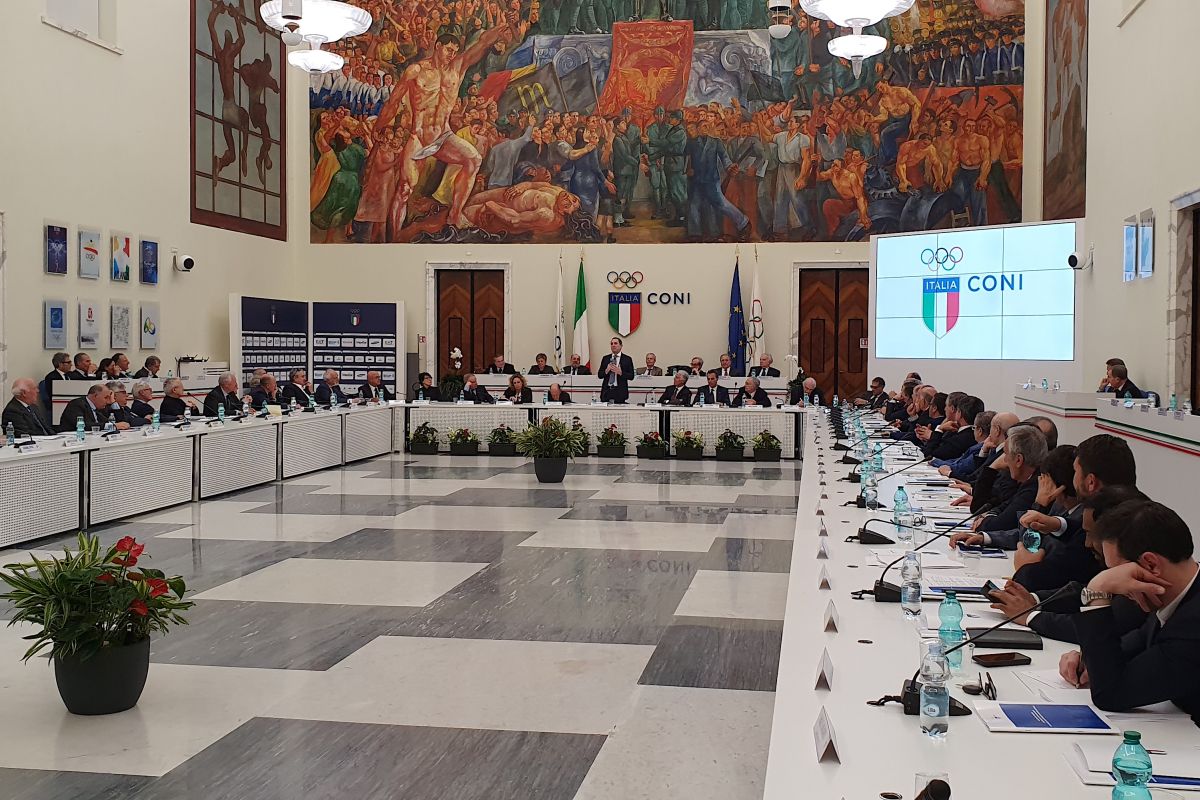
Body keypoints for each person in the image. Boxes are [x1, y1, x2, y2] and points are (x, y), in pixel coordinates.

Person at [1057, 500, 1200, 719]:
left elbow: (1111, 693)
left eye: (1116, 573)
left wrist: (1097, 590)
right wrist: (1088, 660)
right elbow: (1133, 648)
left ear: (1150, 565)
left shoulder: (1193, 622)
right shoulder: (1174, 598)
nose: (1117, 587)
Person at [986, 485, 1149, 645]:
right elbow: (1082, 592)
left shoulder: (1141, 583)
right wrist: (1034, 601)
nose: (1086, 543)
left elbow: (1097, 628)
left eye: (1090, 534)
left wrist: (1030, 616)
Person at [1013, 434, 1139, 592]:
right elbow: (1079, 530)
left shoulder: (1111, 524)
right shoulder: (1133, 508)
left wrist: (1025, 569)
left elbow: (1062, 570)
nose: (1072, 479)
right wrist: (1058, 525)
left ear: (1091, 482)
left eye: (1075, 471)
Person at [954, 425, 1047, 542]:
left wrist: (985, 520)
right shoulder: (1026, 479)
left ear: (1018, 460)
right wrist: (988, 515)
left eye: (1006, 454)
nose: (1005, 460)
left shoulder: (1035, 485)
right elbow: (1001, 507)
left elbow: (1000, 524)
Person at [934, 410, 994, 481]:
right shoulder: (979, 447)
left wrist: (935, 461)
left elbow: (961, 467)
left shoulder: (979, 449)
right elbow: (958, 460)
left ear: (980, 431)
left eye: (974, 428)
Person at [922, 393, 984, 461]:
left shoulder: (959, 439)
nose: (944, 409)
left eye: (946, 406)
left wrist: (939, 430)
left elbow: (929, 455)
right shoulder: (968, 432)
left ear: (960, 413)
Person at [598, 337, 634, 404]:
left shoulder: (627, 359)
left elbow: (631, 376)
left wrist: (620, 373)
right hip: (606, 392)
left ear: (621, 346)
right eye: (611, 344)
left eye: (615, 343)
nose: (613, 345)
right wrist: (606, 371)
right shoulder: (605, 358)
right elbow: (599, 375)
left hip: (620, 392)